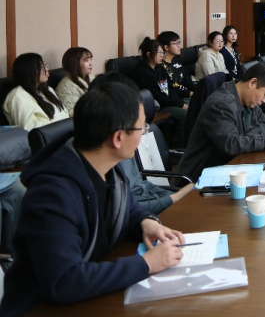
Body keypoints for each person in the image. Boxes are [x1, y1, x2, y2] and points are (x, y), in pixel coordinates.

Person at [0, 80, 186, 315]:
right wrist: (146, 263)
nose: (143, 133)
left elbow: (125, 208)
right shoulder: (52, 194)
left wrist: (145, 222)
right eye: (141, 128)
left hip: (93, 291)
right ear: (118, 138)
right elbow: (63, 282)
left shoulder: (108, 166)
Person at [91, 72, 194, 214]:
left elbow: (141, 185)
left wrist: (176, 197)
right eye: (141, 127)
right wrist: (174, 199)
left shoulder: (123, 146)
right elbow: (128, 210)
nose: (144, 133)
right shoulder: (102, 163)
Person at [177, 62, 265, 182]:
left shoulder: (248, 101)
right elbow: (231, 145)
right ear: (252, 83)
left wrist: (244, 140)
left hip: (230, 169)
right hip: (199, 179)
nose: (264, 100)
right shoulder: (221, 104)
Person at [132, 37, 188, 148]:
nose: (162, 55)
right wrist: (180, 105)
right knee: (184, 115)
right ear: (149, 54)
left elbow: (170, 87)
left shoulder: (159, 68)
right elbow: (157, 95)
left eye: (163, 53)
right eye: (159, 53)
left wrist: (180, 103)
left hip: (168, 101)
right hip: (158, 106)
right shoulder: (142, 72)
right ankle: (177, 148)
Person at [3, 53, 69, 130]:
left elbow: (65, 113)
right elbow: (29, 129)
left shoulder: (47, 89)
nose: (47, 69)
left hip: (64, 132)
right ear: (29, 71)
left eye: (45, 65)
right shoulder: (17, 95)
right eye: (42, 67)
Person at [56, 46, 95, 114]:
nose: (91, 63)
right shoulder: (66, 87)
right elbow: (73, 114)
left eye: (90, 59)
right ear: (75, 63)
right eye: (86, 60)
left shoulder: (91, 78)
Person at [158, 31, 195, 96]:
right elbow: (168, 90)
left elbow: (186, 79)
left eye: (179, 43)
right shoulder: (161, 66)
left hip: (188, 93)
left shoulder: (177, 59)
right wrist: (190, 93)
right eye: (176, 44)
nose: (179, 46)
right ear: (166, 47)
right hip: (178, 97)